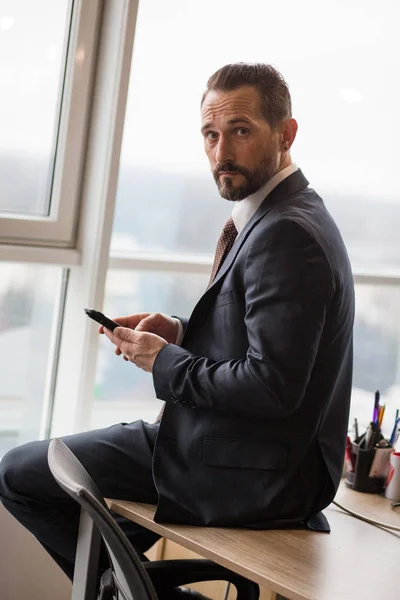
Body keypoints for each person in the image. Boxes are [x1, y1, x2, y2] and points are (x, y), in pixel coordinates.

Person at [0, 63, 354, 591]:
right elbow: (261, 339)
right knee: (92, 520)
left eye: (240, 130)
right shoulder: (277, 214)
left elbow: (273, 386)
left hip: (254, 469)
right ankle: (131, 588)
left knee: (18, 473)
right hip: (244, 449)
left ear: (286, 134)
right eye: (210, 135)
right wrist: (182, 333)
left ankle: (135, 593)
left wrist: (161, 360)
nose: (221, 153)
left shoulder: (287, 233)